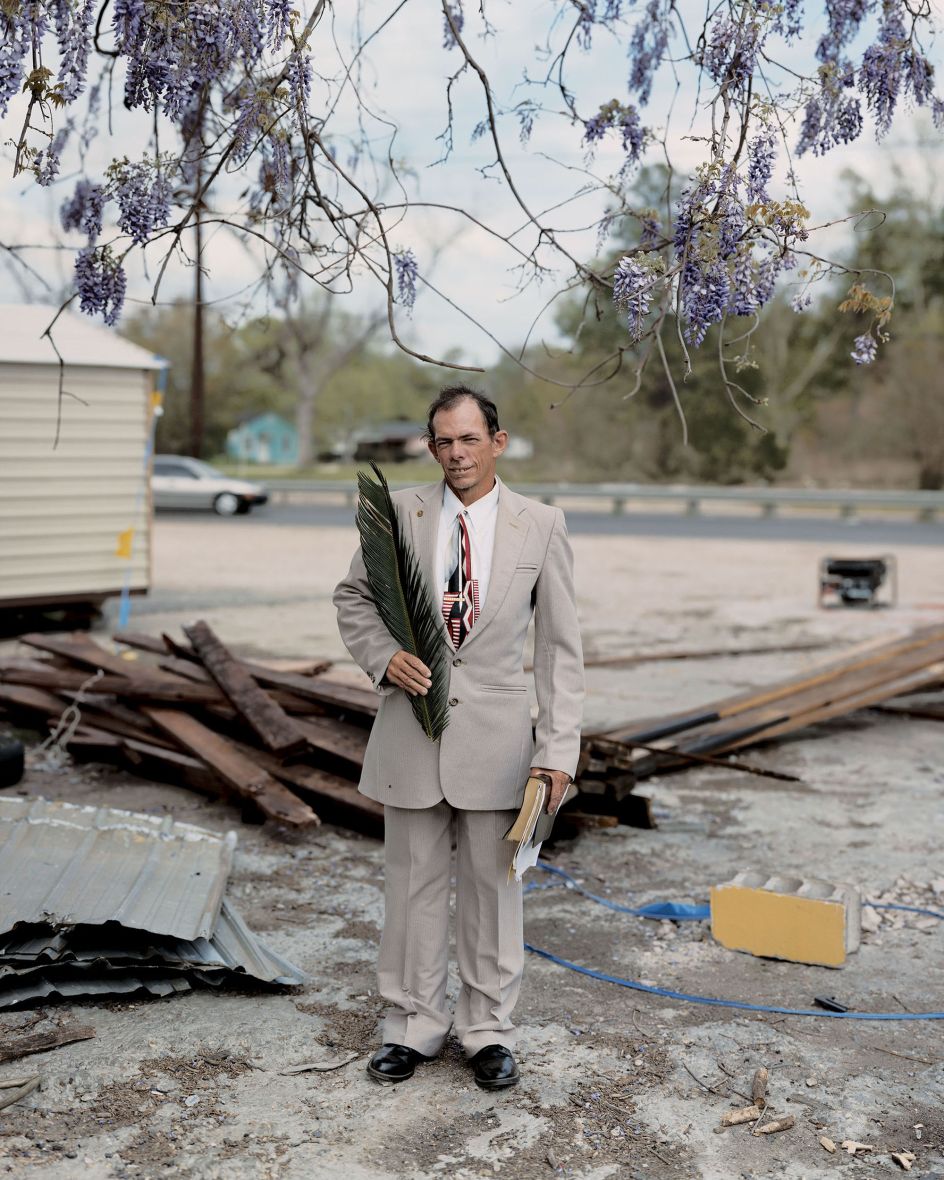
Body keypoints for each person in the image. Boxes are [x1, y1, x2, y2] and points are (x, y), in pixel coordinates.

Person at [332, 386, 584, 1091]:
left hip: (499, 743)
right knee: (410, 885)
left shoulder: (542, 525)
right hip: (410, 735)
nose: (456, 454)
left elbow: (561, 650)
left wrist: (558, 752)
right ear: (431, 445)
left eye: (469, 439)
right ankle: (411, 1026)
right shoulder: (399, 516)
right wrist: (382, 655)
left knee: (492, 893)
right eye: (444, 441)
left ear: (497, 443)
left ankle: (487, 1032)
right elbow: (352, 597)